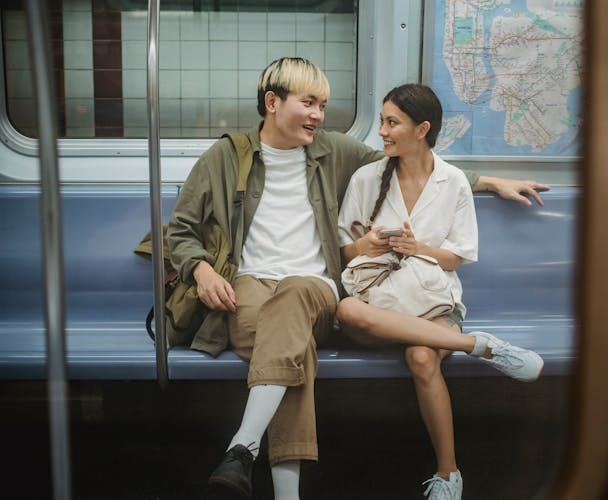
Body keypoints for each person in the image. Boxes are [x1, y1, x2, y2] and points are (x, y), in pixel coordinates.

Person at [167, 57, 548, 500]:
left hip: (315, 287)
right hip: (249, 285)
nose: (318, 115)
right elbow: (182, 228)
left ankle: (242, 447)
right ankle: (261, 472)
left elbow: (414, 160)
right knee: (290, 354)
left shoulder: (333, 150)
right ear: (272, 103)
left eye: (323, 105)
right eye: (309, 103)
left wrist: (489, 180)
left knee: (293, 300)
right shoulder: (225, 157)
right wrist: (202, 267)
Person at [336, 83, 544, 500]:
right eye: (380, 121)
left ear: (422, 129)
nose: (381, 131)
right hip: (379, 304)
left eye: (392, 122)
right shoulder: (367, 177)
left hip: (431, 302)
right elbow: (346, 250)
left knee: (420, 356)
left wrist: (419, 249)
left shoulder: (452, 183)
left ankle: (449, 475)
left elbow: (457, 257)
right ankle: (476, 346)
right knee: (347, 312)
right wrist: (371, 245)